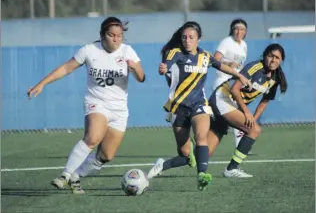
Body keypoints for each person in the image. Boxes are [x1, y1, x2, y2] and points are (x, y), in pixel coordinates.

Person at [27, 17, 145, 194]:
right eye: (111, 35)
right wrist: (42, 83)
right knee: (93, 137)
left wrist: (135, 68)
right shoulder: (90, 50)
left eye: (119, 36)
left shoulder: (127, 51)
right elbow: (67, 68)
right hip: (96, 103)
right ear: (102, 35)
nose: (116, 39)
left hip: (120, 110)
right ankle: (65, 175)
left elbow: (142, 78)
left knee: (106, 156)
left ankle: (76, 175)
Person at [147, 21, 252, 191]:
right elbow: (167, 62)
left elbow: (221, 66)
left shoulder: (205, 56)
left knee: (201, 138)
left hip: (199, 104)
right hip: (178, 107)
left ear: (199, 39)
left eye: (191, 37)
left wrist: (239, 76)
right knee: (186, 154)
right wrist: (163, 67)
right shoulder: (175, 53)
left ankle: (202, 175)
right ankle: (163, 164)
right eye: (184, 37)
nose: (187, 40)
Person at [207, 43, 287, 177]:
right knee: (255, 129)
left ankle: (163, 164)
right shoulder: (255, 67)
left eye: (277, 58)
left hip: (230, 105)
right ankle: (231, 169)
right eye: (270, 56)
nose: (273, 60)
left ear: (281, 60)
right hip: (222, 98)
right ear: (264, 56)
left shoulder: (275, 78)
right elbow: (234, 89)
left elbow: (264, 101)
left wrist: (253, 119)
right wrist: (247, 114)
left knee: (204, 153)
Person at [212, 18, 248, 150]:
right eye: (236, 28)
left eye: (242, 29)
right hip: (222, 82)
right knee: (224, 116)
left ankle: (240, 144)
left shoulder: (244, 45)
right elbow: (214, 60)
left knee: (236, 111)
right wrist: (227, 64)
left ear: (245, 32)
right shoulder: (227, 42)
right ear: (232, 30)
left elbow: (239, 66)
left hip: (234, 84)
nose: (239, 31)